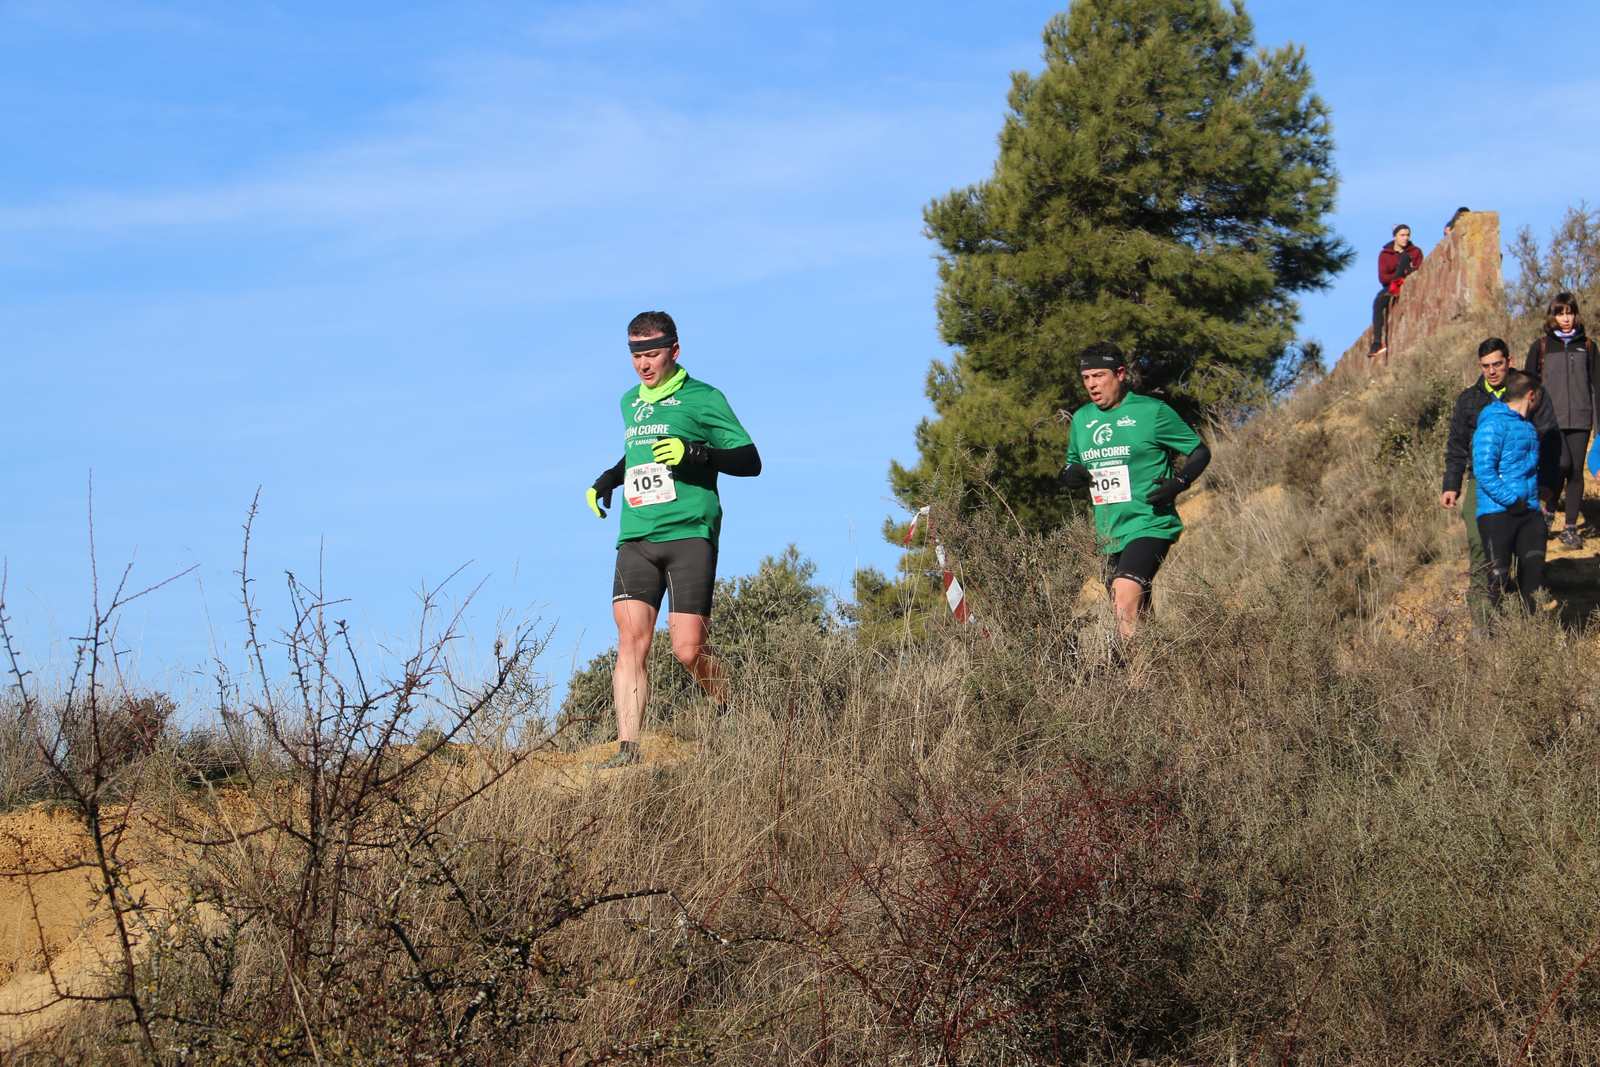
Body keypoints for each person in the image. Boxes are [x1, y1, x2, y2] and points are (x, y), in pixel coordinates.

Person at [584, 311, 761, 767]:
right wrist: (607, 479)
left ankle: (734, 708)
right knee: (631, 640)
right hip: (638, 536)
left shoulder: (702, 398)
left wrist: (696, 453)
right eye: (637, 355)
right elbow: (637, 455)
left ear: (674, 351)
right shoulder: (630, 402)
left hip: (689, 534)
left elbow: (749, 460)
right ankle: (628, 747)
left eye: (653, 354)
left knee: (687, 649)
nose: (644, 364)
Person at [1060, 342, 1211, 642]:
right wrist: (1070, 476)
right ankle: (1159, 673)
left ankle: (1129, 682)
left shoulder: (1152, 411)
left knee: (1124, 598)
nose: (1092, 384)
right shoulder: (1082, 420)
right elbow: (1069, 468)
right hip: (1108, 532)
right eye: (1086, 378)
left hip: (1150, 522)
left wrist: (1178, 483)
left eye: (1099, 376)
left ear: (1120, 374)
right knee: (1136, 616)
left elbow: (1199, 452)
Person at [1440, 338, 1514, 630]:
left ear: (1509, 360)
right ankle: (1483, 628)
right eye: (1486, 366)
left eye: (1497, 364)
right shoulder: (1469, 399)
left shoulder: (1526, 392)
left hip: (1516, 482)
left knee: (1513, 552)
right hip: (1480, 482)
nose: (1492, 371)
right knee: (1480, 547)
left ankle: (1515, 625)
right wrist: (1451, 485)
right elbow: (1457, 445)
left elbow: (1544, 435)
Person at [1523, 292, 1597, 548]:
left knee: (1576, 471)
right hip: (1549, 421)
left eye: (1569, 312)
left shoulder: (1587, 345)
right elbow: (1527, 388)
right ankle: (1548, 511)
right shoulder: (1541, 346)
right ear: (1552, 315)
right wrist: (1527, 420)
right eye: (1560, 313)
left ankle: (1570, 529)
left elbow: (1597, 386)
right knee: (1560, 465)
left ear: (1576, 314)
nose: (1566, 318)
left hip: (1581, 418)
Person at [1472, 370, 1547, 614]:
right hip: (1497, 513)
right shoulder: (1492, 424)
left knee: (1533, 579)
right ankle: (1497, 642)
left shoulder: (1528, 427)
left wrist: (1535, 503)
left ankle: (1532, 635)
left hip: (1530, 512)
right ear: (1531, 395)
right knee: (1498, 581)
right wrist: (1512, 501)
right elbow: (1484, 471)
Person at [1369, 224, 1423, 360]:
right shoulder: (1385, 254)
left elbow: (1419, 270)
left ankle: (1396, 285)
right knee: (1378, 302)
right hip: (1390, 286)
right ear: (1395, 237)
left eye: (1407, 235)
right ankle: (1377, 343)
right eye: (1402, 235)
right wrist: (1397, 275)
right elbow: (1383, 277)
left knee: (1405, 258)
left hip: (1409, 282)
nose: (1405, 238)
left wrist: (1406, 272)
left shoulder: (1415, 251)